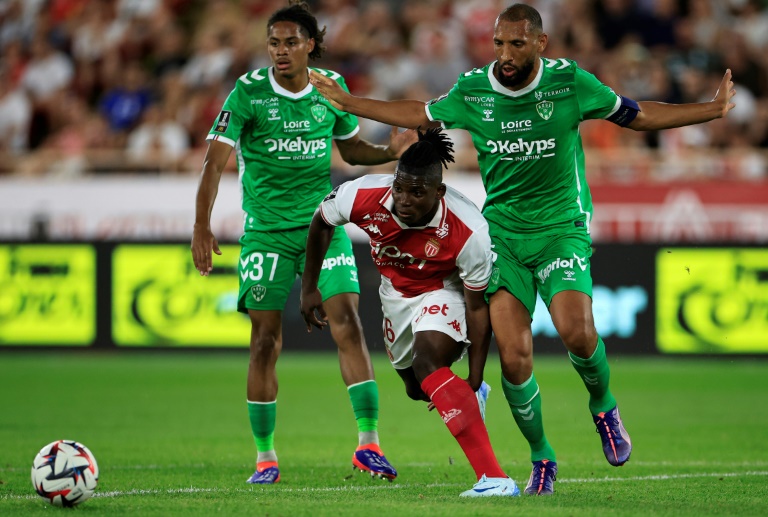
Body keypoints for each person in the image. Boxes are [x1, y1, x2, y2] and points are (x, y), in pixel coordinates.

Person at [308, 2, 736, 496]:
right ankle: (541, 457)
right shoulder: (474, 89)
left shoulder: (570, 83)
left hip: (561, 228)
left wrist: (710, 108)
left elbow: (635, 116)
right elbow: (419, 114)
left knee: (577, 333)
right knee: (514, 360)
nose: (505, 55)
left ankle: (604, 406)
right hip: (504, 236)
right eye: (498, 44)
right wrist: (348, 100)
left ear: (540, 43)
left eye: (516, 44)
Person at [190, 1, 416, 485]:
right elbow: (214, 163)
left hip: (323, 228)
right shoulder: (248, 93)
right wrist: (201, 227)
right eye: (274, 43)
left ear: (310, 44)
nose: (280, 52)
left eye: (290, 42)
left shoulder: (329, 90)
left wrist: (388, 154)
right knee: (264, 342)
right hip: (266, 234)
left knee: (349, 325)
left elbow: (352, 150)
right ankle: (265, 458)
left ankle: (368, 445)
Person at [300, 128, 519, 498]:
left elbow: (477, 308)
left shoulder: (469, 232)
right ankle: (462, 398)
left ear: (439, 192)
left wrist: (475, 374)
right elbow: (322, 220)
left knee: (428, 363)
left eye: (417, 193)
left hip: (443, 291)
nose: (403, 199)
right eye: (400, 188)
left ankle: (494, 478)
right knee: (417, 389)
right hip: (395, 295)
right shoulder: (363, 194)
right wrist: (309, 287)